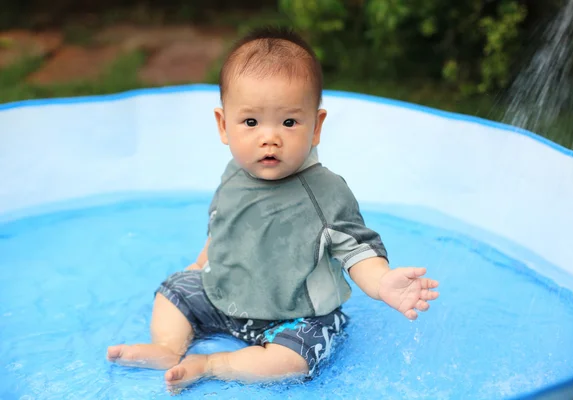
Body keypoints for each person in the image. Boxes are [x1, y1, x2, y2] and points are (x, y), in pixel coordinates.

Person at [106, 25, 439, 393]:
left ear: (316, 127)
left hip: (294, 318)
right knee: (174, 291)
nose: (269, 137)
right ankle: (169, 348)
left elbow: (356, 250)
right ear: (223, 125)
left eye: (289, 122)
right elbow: (224, 227)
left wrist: (381, 283)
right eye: (250, 122)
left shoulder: (325, 193)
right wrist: (200, 266)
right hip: (227, 298)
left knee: (294, 359)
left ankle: (214, 363)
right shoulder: (235, 173)